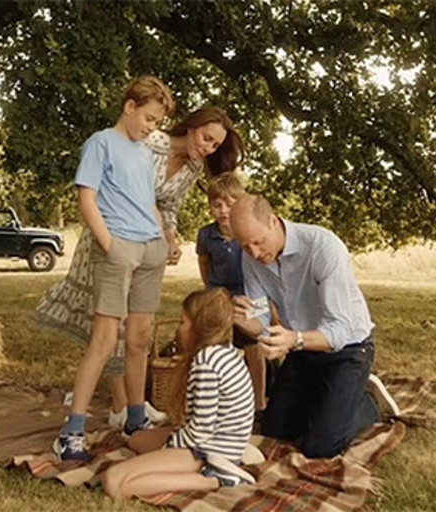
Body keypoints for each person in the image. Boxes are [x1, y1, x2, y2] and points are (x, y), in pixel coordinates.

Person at [35, 107, 245, 428]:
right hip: (112, 237)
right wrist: (113, 240)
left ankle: (131, 408)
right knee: (110, 327)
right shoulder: (150, 141)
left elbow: (168, 206)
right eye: (206, 138)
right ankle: (120, 405)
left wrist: (170, 240)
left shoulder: (193, 167)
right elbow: (111, 185)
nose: (208, 148)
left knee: (138, 329)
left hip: (148, 242)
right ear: (192, 127)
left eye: (215, 146)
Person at [54, 76, 174, 461]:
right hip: (119, 248)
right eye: (149, 119)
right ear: (130, 107)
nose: (151, 128)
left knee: (139, 339)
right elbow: (86, 199)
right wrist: (111, 246)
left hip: (150, 251)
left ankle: (135, 420)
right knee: (105, 341)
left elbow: (147, 200)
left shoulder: (143, 152)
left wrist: (163, 237)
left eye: (157, 122)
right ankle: (71, 431)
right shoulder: (101, 143)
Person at [228, 194, 400, 459]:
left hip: (348, 349)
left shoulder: (322, 246)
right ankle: (328, 401)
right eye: (245, 245)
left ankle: (367, 401)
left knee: (321, 447)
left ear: (274, 222)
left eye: (258, 242)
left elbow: (341, 329)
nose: (254, 253)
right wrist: (245, 321)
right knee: (276, 432)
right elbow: (261, 321)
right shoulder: (249, 257)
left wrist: (294, 340)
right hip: (301, 349)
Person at [102, 288, 255, 500]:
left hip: (206, 451)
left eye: (183, 322)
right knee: (136, 440)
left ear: (199, 328)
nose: (178, 329)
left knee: (114, 481)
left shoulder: (206, 364)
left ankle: (214, 479)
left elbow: (200, 433)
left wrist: (168, 448)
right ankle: (198, 466)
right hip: (213, 441)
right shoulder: (224, 350)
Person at [195, 173, 270, 415]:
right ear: (210, 207)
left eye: (230, 204)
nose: (223, 210)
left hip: (250, 295)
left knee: (254, 346)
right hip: (219, 295)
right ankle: (217, 401)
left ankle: (259, 400)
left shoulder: (246, 233)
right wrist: (215, 293)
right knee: (214, 346)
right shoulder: (206, 235)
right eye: (217, 205)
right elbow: (204, 266)